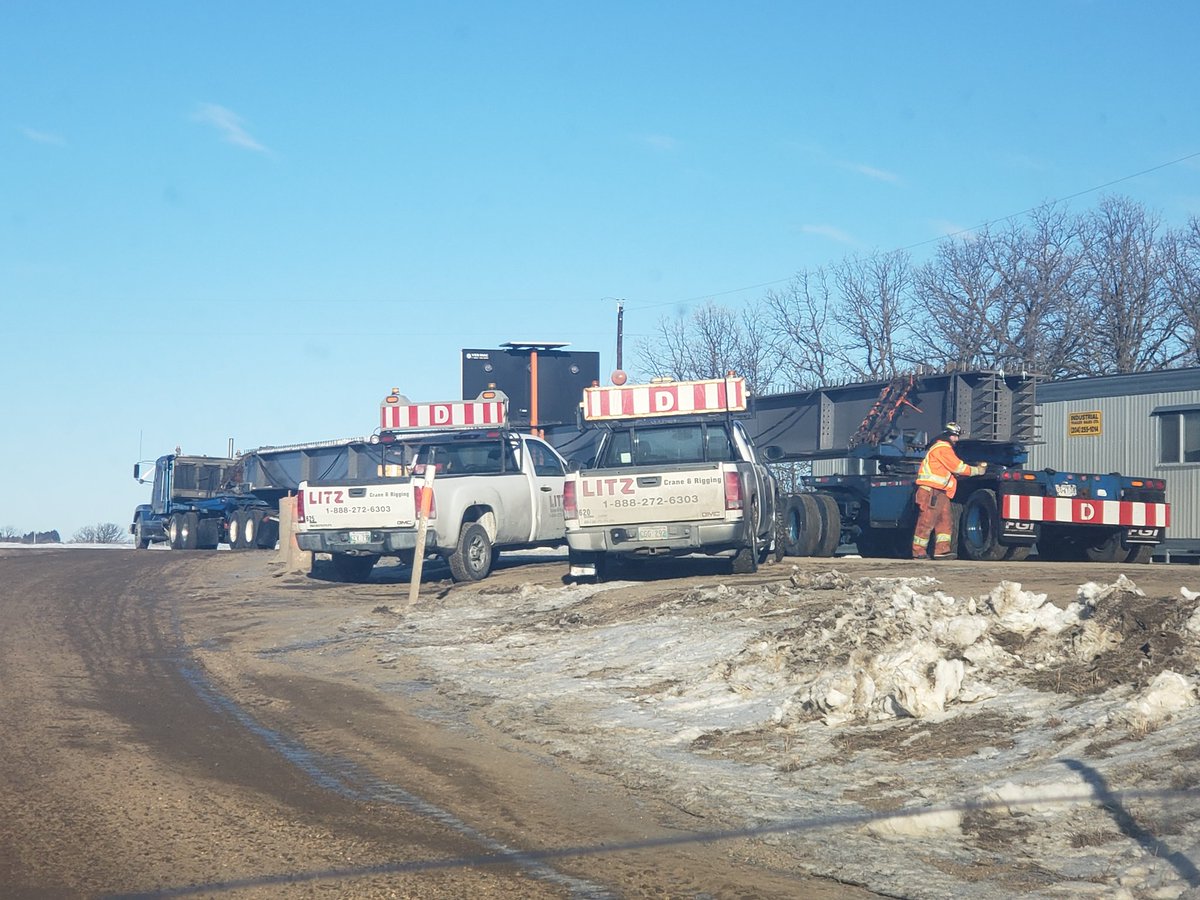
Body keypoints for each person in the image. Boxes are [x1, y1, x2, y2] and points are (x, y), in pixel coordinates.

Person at [911, 422, 986, 559]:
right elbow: (958, 467)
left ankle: (942, 551)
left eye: (957, 436)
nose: (956, 439)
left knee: (945, 521)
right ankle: (918, 551)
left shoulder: (941, 448)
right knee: (927, 521)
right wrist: (977, 470)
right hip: (931, 490)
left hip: (940, 492)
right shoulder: (942, 448)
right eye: (954, 436)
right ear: (947, 435)